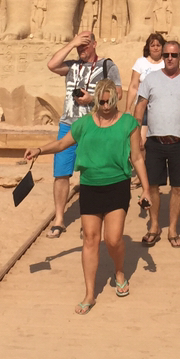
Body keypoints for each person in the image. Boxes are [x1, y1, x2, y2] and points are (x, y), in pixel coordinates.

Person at [25, 79, 149, 314]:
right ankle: (90, 294)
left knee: (113, 239)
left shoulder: (128, 123)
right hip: (90, 186)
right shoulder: (83, 124)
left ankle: (119, 271)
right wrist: (39, 150)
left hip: (117, 185)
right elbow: (62, 144)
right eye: (101, 102)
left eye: (109, 102)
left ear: (116, 99)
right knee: (91, 239)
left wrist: (146, 188)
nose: (105, 106)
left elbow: (137, 158)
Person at [45, 31, 121, 237]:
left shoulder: (107, 66)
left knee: (90, 174)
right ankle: (59, 219)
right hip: (68, 124)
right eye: (80, 46)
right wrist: (72, 43)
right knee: (61, 173)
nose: (81, 50)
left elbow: (118, 94)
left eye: (85, 45)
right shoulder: (71, 66)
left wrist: (92, 99)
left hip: (93, 125)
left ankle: (89, 218)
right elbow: (52, 65)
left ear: (94, 44)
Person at [133, 41, 180, 248]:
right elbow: (139, 108)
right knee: (152, 185)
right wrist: (136, 134)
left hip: (179, 141)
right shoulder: (151, 79)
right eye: (166, 55)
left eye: (174, 55)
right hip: (155, 141)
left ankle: (173, 229)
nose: (170, 58)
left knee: (178, 187)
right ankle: (154, 226)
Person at [125, 32, 166, 114]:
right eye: (152, 46)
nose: (155, 48)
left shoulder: (166, 63)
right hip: (142, 108)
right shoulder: (140, 62)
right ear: (148, 47)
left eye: (158, 45)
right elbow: (134, 86)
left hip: (162, 107)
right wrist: (128, 108)